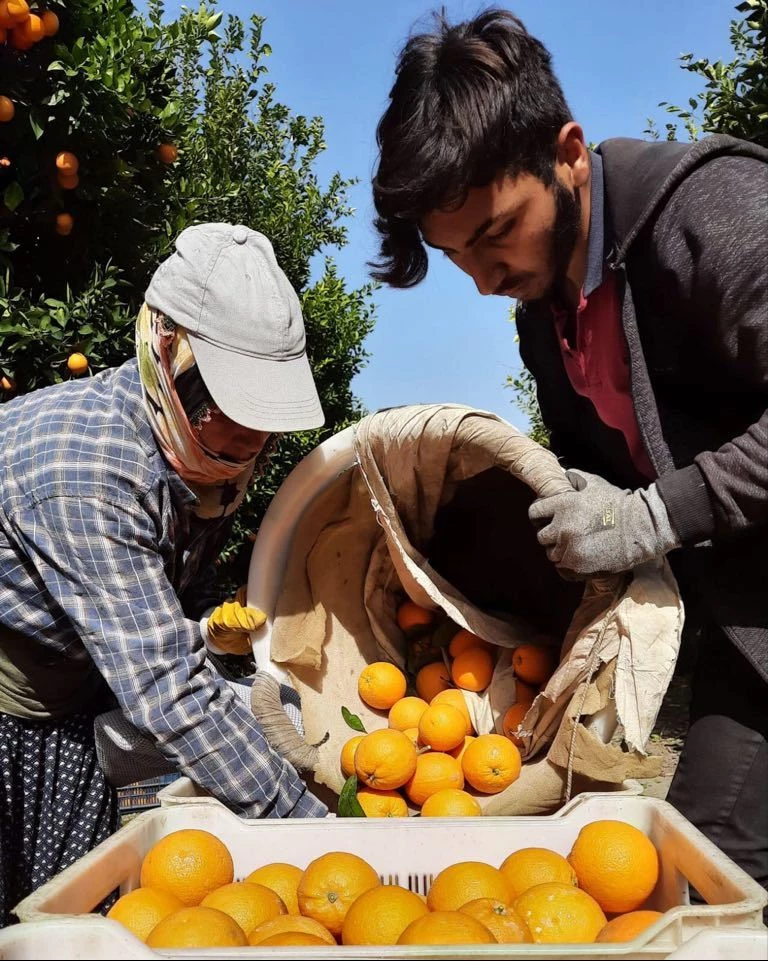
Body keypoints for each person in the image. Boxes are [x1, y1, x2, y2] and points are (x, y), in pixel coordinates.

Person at [371, 8, 768, 904]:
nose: (481, 276)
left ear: (570, 152)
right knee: (695, 887)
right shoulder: (544, 317)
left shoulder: (710, 211)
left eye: (495, 232)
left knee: (709, 889)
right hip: (747, 627)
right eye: (453, 253)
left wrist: (659, 513)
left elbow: (657, 501)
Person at [0, 223, 328, 924]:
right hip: (11, 717)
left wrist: (210, 631)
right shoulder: (83, 470)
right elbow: (166, 687)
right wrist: (311, 833)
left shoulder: (199, 454)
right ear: (164, 349)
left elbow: (165, 614)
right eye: (222, 404)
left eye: (260, 418)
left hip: (74, 707)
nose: (244, 439)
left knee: (75, 917)